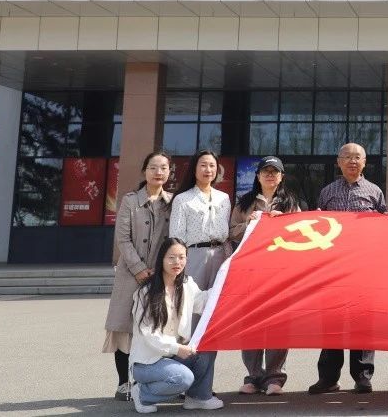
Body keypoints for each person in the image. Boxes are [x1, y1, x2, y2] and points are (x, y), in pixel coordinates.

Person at [309, 143, 387, 396]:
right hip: (332, 267)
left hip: (363, 268)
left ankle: (362, 376)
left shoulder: (374, 192)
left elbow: (385, 229)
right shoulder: (327, 192)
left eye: (357, 157)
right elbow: (318, 226)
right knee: (332, 321)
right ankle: (328, 378)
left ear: (365, 162)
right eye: (347, 157)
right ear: (338, 162)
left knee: (362, 321)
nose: (352, 161)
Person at [228, 156, 304, 396]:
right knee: (250, 323)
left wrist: (284, 224)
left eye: (275, 171)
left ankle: (274, 377)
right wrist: (248, 224)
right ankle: (253, 376)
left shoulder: (291, 203)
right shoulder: (244, 203)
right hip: (250, 272)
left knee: (278, 324)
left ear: (282, 177)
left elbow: (302, 235)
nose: (270, 175)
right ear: (258, 176)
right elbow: (231, 232)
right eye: (266, 171)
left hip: (280, 273)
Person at [103, 150, 173, 401]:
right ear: (145, 171)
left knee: (157, 327)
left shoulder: (172, 202)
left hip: (160, 275)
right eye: (153, 167)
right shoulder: (130, 201)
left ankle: (153, 382)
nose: (158, 172)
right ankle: (124, 383)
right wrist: (139, 269)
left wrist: (161, 269)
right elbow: (122, 239)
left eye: (163, 168)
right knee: (125, 328)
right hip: (130, 274)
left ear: (169, 172)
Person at [128, 237, 223, 413]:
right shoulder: (146, 292)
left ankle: (197, 397)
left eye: (181, 257)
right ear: (161, 259)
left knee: (207, 345)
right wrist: (177, 348)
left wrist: (226, 284)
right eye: (171, 257)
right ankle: (142, 393)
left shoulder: (187, 284)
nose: (177, 262)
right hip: (148, 361)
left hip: (173, 356)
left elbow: (204, 302)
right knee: (182, 378)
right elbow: (148, 334)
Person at [167, 150, 231, 290]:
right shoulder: (182, 199)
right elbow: (176, 236)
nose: (208, 170)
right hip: (194, 256)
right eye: (203, 165)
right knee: (193, 297)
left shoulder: (224, 198)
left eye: (212, 165)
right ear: (194, 168)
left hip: (220, 255)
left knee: (217, 298)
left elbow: (226, 231)